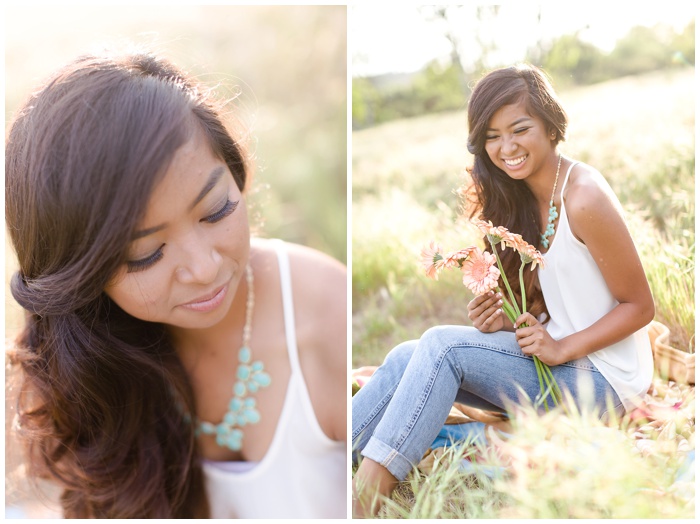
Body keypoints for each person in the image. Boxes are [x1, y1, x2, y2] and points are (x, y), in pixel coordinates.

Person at [5, 50, 347, 519]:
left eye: (217, 210)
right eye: (146, 253)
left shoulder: (323, 308)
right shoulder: (72, 373)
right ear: (80, 274)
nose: (203, 268)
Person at [351, 64, 655, 517]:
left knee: (442, 346)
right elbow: (558, 299)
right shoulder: (520, 198)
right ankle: (321, 458)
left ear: (552, 126)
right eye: (492, 136)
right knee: (405, 357)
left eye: (520, 129)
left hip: (607, 380)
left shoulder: (583, 197)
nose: (506, 148)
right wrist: (505, 321)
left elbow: (641, 306)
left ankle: (361, 502)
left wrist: (561, 346)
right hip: (561, 360)